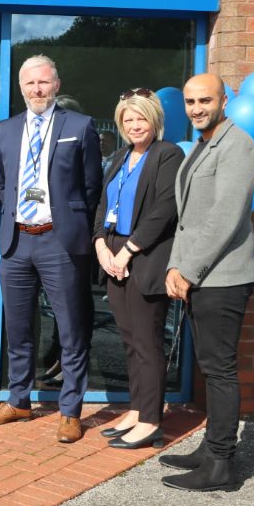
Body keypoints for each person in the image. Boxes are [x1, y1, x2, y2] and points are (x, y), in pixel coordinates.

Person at [0, 54, 101, 444]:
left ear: (57, 85)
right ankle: (19, 400)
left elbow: (91, 186)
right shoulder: (8, 129)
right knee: (18, 328)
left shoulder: (79, 127)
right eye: (30, 84)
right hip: (17, 241)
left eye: (44, 83)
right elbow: (2, 183)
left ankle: (70, 411)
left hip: (60, 241)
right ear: (21, 88)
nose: (37, 89)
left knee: (70, 329)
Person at [160, 73, 254, 492]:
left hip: (223, 278)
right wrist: (174, 265)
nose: (196, 108)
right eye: (189, 101)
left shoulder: (238, 146)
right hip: (203, 276)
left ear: (225, 100)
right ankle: (210, 447)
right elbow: (190, 220)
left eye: (205, 100)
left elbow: (223, 218)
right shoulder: (205, 143)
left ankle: (221, 464)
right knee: (209, 366)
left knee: (219, 370)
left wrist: (186, 270)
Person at [91, 89, 183, 449]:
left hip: (144, 256)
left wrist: (127, 251)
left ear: (154, 120)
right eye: (128, 120)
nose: (134, 125)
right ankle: (137, 408)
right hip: (112, 255)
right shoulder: (119, 156)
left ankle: (151, 421)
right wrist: (100, 244)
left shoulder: (167, 155)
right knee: (128, 341)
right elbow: (102, 205)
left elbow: (164, 210)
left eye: (140, 118)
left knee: (147, 342)